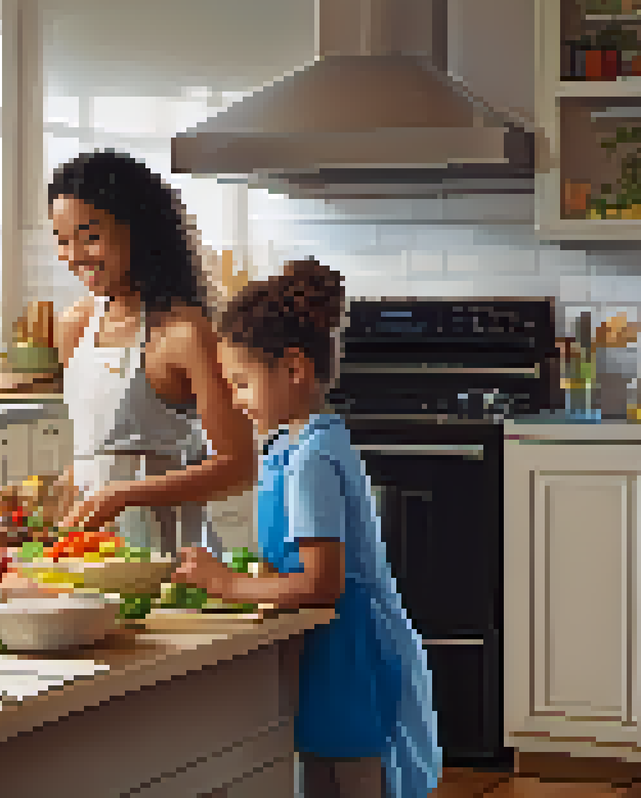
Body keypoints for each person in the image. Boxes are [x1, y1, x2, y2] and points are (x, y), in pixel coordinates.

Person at [171, 258, 440, 798]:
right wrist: (254, 578)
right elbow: (292, 562)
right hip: (320, 646)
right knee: (316, 776)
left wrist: (228, 584)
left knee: (354, 779)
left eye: (242, 383)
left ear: (293, 369)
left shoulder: (312, 458)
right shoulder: (287, 447)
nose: (237, 400)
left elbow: (322, 582)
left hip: (349, 652)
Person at [48, 149, 257, 553]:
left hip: (172, 560)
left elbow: (239, 466)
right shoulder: (74, 326)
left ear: (138, 231)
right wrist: (65, 484)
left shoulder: (183, 333)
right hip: (89, 557)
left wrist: (124, 495)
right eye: (63, 240)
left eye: (90, 237)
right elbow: (102, 448)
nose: (74, 257)